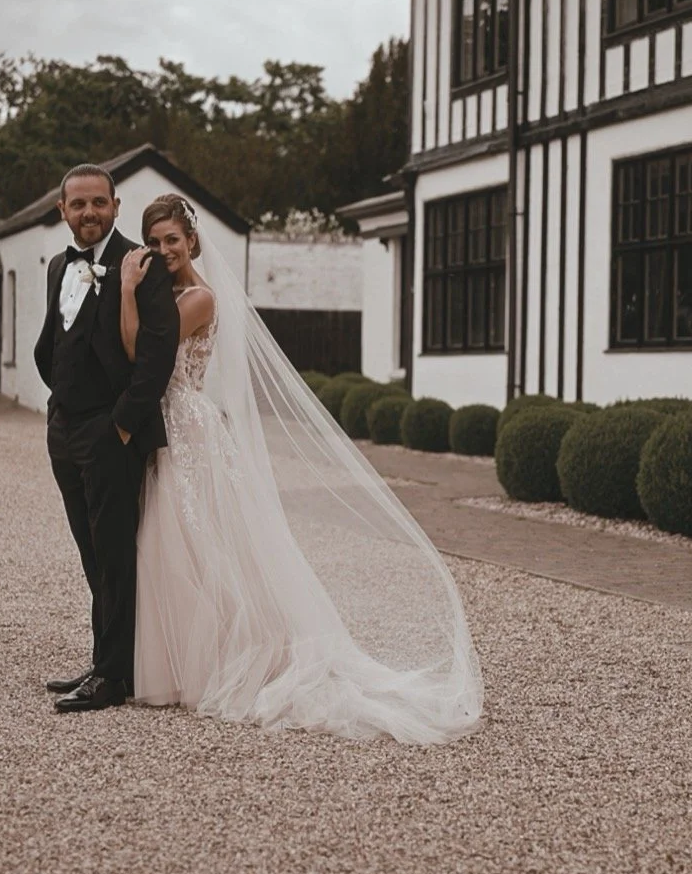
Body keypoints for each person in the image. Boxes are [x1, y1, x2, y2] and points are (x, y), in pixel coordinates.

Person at [114, 194, 482, 743]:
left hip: (185, 427)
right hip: (163, 423)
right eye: (156, 240)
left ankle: (212, 663)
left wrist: (124, 291)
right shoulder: (162, 292)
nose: (165, 249)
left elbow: (141, 353)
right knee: (172, 543)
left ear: (192, 241)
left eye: (174, 239)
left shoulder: (198, 299)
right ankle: (170, 661)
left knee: (193, 541)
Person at [34, 164, 180, 713]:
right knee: (91, 550)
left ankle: (115, 678)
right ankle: (106, 658)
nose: (89, 213)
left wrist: (119, 425)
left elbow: (156, 356)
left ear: (116, 206)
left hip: (112, 431)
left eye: (99, 203)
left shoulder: (142, 264)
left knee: (117, 551)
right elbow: (54, 346)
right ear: (63, 211)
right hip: (64, 430)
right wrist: (59, 412)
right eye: (79, 205)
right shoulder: (57, 267)